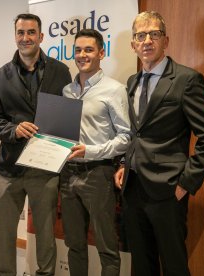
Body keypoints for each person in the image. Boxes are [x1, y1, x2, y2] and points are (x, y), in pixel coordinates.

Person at [114, 11, 204, 276]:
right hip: (133, 190)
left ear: (166, 40)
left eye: (155, 34)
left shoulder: (187, 80)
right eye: (141, 35)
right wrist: (123, 163)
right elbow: (134, 133)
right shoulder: (132, 82)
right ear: (133, 45)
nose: (147, 40)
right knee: (141, 266)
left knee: (174, 266)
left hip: (168, 192)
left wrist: (186, 183)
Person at [0, 13, 72, 276]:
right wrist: (14, 129)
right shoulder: (1, 75)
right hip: (8, 170)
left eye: (31, 32)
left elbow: (67, 115)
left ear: (41, 36)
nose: (26, 38)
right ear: (15, 37)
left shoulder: (61, 71)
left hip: (44, 170)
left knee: (46, 237)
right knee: (4, 237)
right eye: (21, 33)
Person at [60, 29, 131, 276]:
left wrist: (89, 151)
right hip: (68, 174)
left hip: (98, 174)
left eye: (88, 49)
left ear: (101, 53)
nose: (82, 55)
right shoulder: (67, 91)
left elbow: (126, 137)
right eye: (78, 50)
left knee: (107, 247)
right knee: (74, 245)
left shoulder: (115, 89)